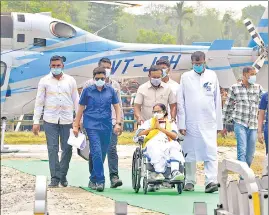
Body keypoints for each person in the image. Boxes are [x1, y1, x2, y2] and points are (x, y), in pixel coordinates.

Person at [177, 51, 223, 193]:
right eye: (196, 64)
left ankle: (211, 181)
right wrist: (182, 123)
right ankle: (190, 181)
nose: (198, 65)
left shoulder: (212, 75)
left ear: (205, 62)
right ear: (192, 63)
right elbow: (180, 101)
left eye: (200, 63)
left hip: (209, 121)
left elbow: (217, 99)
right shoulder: (185, 77)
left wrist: (219, 124)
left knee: (210, 151)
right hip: (190, 121)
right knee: (189, 151)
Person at [32, 55, 79, 188]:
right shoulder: (44, 81)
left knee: (67, 149)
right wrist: (36, 121)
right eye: (53, 66)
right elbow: (39, 102)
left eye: (58, 65)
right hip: (50, 120)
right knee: (52, 149)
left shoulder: (70, 81)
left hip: (67, 120)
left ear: (63, 66)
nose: (56, 68)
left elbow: (77, 100)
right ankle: (54, 177)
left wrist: (78, 120)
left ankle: (62, 175)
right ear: (50, 66)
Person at [73, 66, 122, 192]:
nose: (100, 80)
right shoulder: (87, 90)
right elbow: (81, 108)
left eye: (102, 78)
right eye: (97, 78)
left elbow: (117, 107)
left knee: (103, 152)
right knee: (96, 151)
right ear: (93, 78)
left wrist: (118, 123)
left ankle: (93, 177)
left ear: (105, 78)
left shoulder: (111, 90)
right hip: (91, 125)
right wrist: (76, 125)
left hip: (106, 125)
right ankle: (100, 180)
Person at [223, 67, 263, 168]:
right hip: (240, 123)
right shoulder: (235, 88)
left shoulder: (258, 88)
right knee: (242, 150)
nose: (254, 77)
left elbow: (265, 100)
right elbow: (227, 107)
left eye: (255, 74)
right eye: (252, 74)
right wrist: (223, 125)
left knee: (250, 154)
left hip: (253, 125)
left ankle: (245, 173)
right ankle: (242, 179)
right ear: (244, 75)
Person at [135, 103, 185, 181]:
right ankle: (158, 173)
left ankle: (175, 172)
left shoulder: (170, 123)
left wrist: (161, 129)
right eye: (154, 112)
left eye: (158, 111)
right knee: (155, 149)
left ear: (164, 112)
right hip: (153, 142)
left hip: (167, 142)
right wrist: (152, 128)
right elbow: (139, 134)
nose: (156, 114)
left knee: (174, 147)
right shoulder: (149, 122)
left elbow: (174, 136)